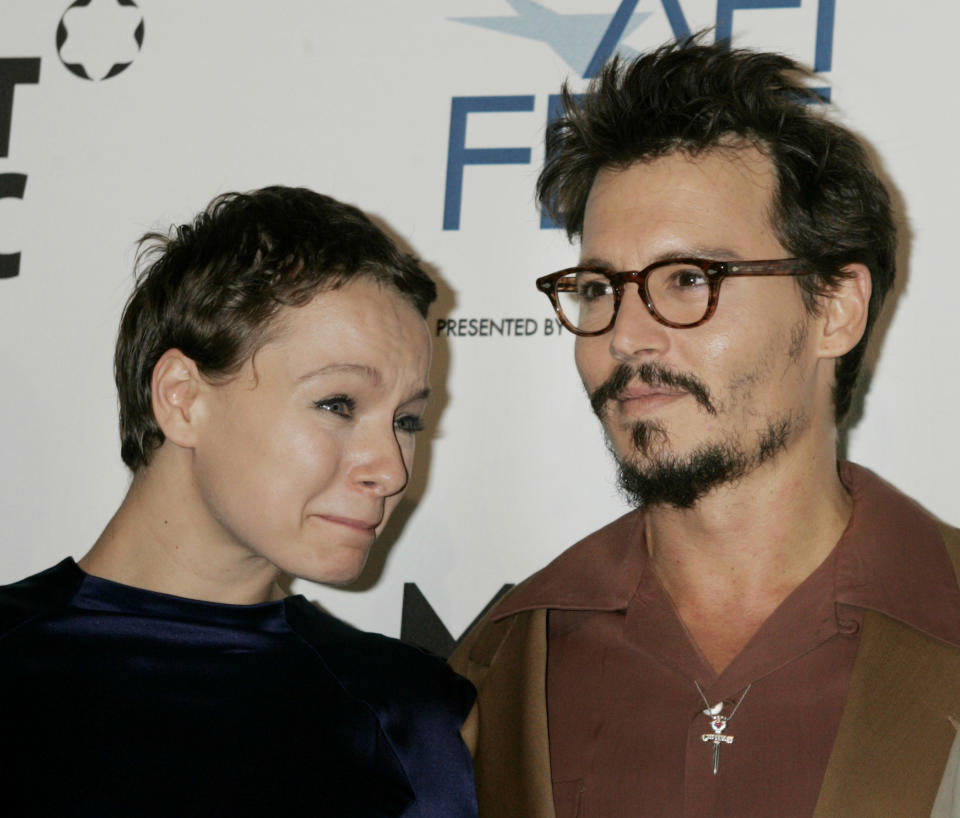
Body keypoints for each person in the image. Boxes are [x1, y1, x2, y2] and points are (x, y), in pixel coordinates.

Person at [449, 37, 960, 817]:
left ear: (834, 308)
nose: (625, 336)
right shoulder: (499, 668)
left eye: (688, 279)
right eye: (598, 288)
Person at [0, 186, 477, 817]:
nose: (390, 470)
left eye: (408, 421)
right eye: (338, 404)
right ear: (181, 398)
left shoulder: (416, 722)